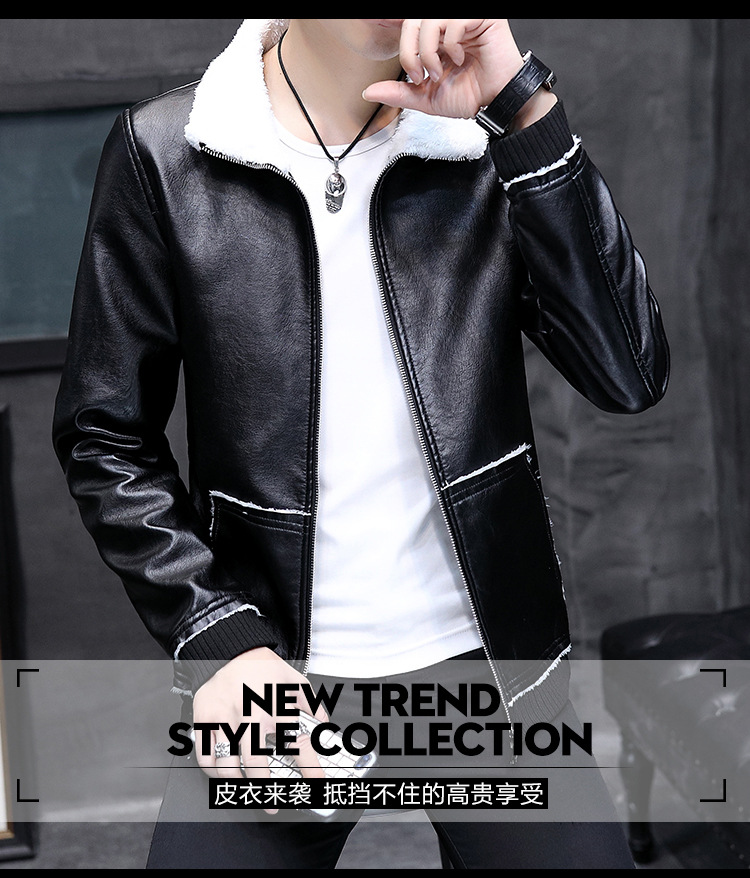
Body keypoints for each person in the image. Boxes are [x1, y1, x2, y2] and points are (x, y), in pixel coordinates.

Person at [52, 18, 669, 869]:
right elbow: (105, 434)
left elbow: (629, 373)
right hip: (277, 666)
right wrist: (218, 636)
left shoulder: (481, 141)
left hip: (489, 674)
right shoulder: (166, 151)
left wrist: (522, 109)